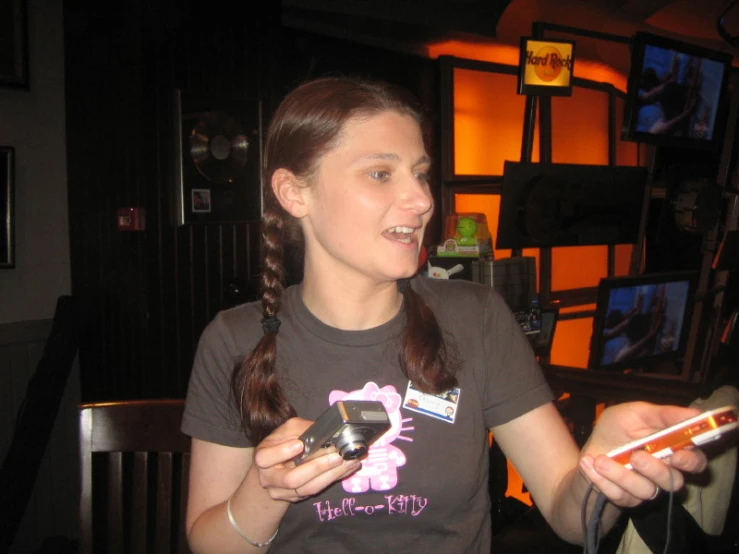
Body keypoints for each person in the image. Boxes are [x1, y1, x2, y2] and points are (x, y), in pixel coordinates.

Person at [181, 76, 708, 553]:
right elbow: (208, 542)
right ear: (295, 193)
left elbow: (569, 516)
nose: (420, 200)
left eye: (420, 174)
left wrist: (604, 465)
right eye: (381, 173)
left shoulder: (476, 317)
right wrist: (264, 490)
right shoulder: (234, 338)